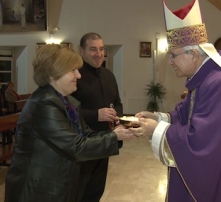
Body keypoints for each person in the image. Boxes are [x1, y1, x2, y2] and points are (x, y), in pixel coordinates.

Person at [130, 0, 221, 201]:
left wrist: (155, 129)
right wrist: (158, 117)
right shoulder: (205, 78)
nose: (171, 62)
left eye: (173, 56)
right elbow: (187, 114)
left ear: (193, 54)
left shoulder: (219, 84)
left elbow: (201, 143)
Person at [4, 44, 137, 202]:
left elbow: (85, 133)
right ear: (53, 74)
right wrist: (114, 137)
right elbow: (76, 146)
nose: (79, 75)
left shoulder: (66, 101)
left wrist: (118, 133)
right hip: (38, 191)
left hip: (57, 185)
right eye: (72, 70)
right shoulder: (43, 105)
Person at [71, 32, 123, 201]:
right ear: (81, 50)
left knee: (96, 191)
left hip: (104, 141)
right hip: (82, 145)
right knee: (78, 192)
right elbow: (67, 112)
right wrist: (96, 115)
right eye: (93, 49)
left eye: (101, 49)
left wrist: (117, 118)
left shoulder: (109, 75)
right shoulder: (74, 76)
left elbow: (118, 103)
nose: (99, 54)